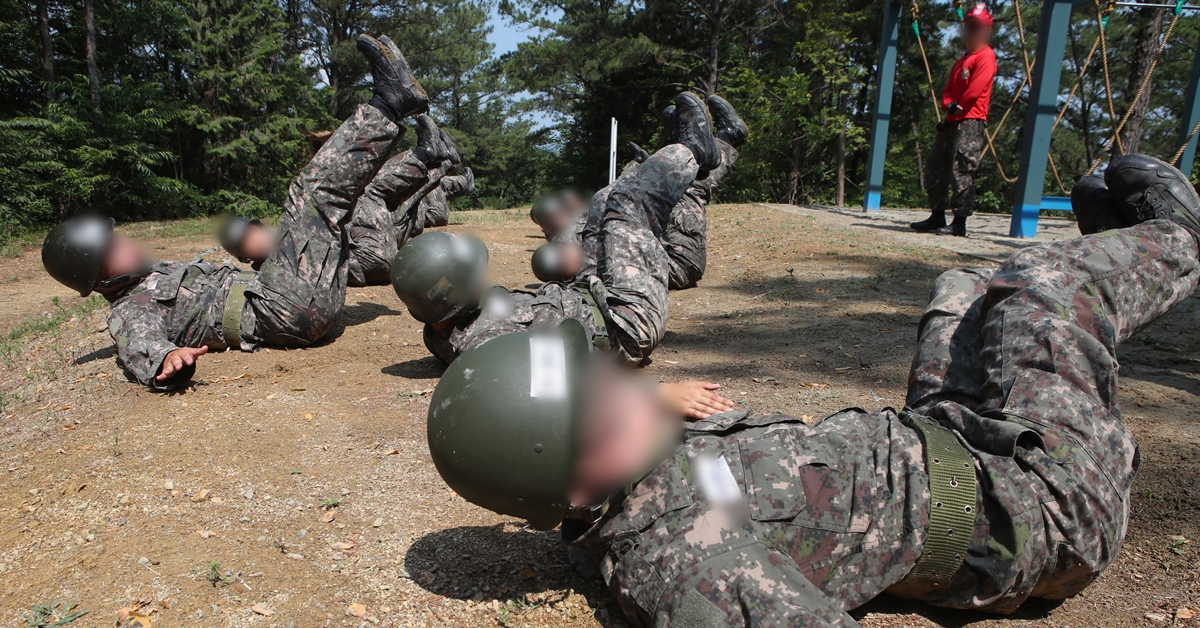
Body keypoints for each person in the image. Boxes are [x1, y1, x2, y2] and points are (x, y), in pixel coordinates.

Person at [424, 154, 1200, 625]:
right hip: (1040, 505)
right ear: (578, 460)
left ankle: (1116, 248)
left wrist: (646, 403)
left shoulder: (618, 472)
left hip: (951, 439)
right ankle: (1177, 239)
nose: (620, 380)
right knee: (1033, 294)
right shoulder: (690, 563)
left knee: (961, 288)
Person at [39, 34, 429, 390]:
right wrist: (169, 360)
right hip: (283, 309)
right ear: (99, 279)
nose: (124, 245)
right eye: (111, 250)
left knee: (329, 207)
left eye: (116, 238)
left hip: (284, 301)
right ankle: (390, 105)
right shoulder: (129, 312)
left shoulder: (151, 278)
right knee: (310, 197)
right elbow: (140, 348)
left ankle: (411, 135)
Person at [533, 94, 748, 290]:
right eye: (564, 253)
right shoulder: (588, 274)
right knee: (689, 192)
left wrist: (636, 170)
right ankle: (724, 140)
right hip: (678, 260)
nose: (568, 249)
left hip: (659, 248)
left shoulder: (576, 237)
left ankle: (688, 146)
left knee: (655, 192)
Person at [217, 114, 457, 287]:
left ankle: (437, 160)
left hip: (371, 250)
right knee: (369, 194)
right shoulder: (271, 269)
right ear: (246, 258)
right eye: (248, 240)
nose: (257, 236)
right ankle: (426, 155)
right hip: (368, 259)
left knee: (396, 205)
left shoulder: (285, 239)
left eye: (254, 230)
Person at [911, 3, 996, 238]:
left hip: (971, 120)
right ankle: (937, 214)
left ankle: (959, 222)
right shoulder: (962, 61)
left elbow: (973, 92)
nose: (972, 31)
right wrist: (948, 106)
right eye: (969, 26)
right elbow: (948, 90)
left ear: (986, 30)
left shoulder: (986, 57)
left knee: (962, 169)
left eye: (976, 27)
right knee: (935, 165)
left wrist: (954, 109)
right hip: (952, 119)